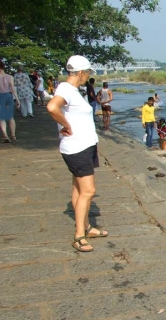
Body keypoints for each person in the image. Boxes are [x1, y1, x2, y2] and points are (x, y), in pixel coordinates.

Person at [46, 55, 109, 253]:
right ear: (81, 73)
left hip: (85, 145)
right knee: (88, 191)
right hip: (77, 147)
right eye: (88, 73)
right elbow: (51, 107)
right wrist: (65, 125)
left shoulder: (72, 90)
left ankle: (86, 227)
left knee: (78, 189)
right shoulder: (66, 89)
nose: (88, 76)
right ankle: (78, 236)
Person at [0, 61, 20, 143]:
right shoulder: (10, 77)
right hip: (8, 96)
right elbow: (13, 89)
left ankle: (5, 135)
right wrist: (17, 100)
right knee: (10, 117)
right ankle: (13, 135)